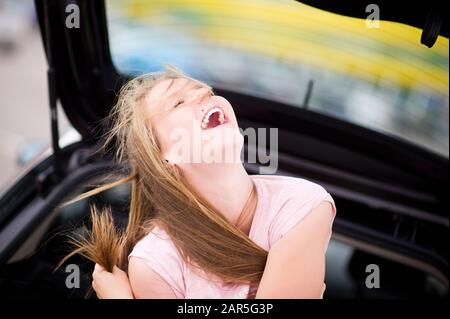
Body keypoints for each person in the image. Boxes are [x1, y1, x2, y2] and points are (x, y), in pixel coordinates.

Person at [65, 65, 336, 299]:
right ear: (164, 158)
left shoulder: (304, 205)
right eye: (179, 102)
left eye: (206, 92)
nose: (203, 93)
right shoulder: (156, 263)